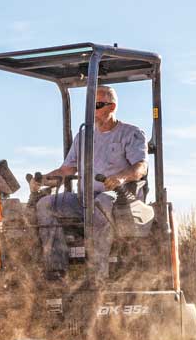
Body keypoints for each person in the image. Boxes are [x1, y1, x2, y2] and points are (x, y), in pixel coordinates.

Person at [32, 85, 148, 281]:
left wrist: (120, 178)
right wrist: (43, 181)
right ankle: (57, 270)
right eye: (90, 106)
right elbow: (67, 169)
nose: (92, 111)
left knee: (100, 203)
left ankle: (97, 276)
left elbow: (140, 167)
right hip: (85, 199)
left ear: (111, 107)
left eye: (98, 105)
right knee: (46, 205)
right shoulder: (84, 137)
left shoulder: (131, 133)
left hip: (120, 200)